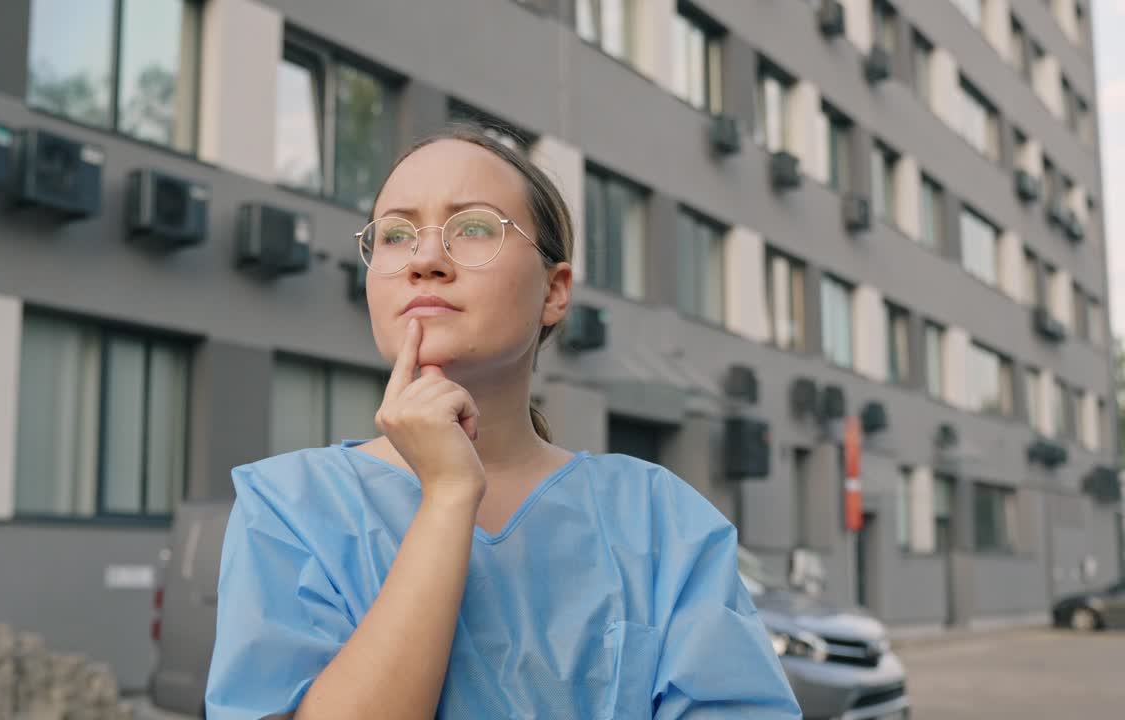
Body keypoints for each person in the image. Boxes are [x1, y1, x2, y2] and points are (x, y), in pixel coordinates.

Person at [204, 125, 802, 719]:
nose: (426, 260)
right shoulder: (287, 510)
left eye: (474, 229)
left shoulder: (661, 522)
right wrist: (447, 497)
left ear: (555, 290)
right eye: (395, 234)